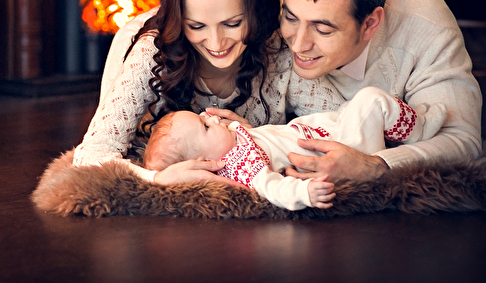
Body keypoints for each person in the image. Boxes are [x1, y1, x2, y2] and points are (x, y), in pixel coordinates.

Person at [208, 0, 482, 183]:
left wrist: (374, 166)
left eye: (323, 29)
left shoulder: (427, 26)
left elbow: (461, 140)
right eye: (290, 18)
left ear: (370, 24)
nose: (298, 44)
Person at [72, 0, 301, 185]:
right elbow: (92, 153)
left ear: (254, 12)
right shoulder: (152, 52)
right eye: (197, 26)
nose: (216, 43)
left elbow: (331, 125)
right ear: (181, 23)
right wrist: (157, 177)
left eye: (232, 24)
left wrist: (257, 138)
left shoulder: (278, 42)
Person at [143, 86, 448, 210]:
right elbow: (273, 188)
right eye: (205, 126)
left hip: (324, 130)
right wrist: (304, 193)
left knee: (359, 107)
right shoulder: (244, 166)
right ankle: (420, 129)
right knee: (370, 100)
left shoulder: (229, 139)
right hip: (345, 153)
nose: (210, 116)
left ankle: (402, 127)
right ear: (205, 161)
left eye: (202, 116)